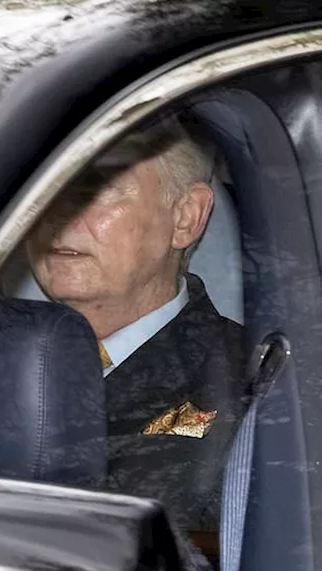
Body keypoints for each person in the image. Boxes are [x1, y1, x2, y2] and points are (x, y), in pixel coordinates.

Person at [25, 116, 246, 542]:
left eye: (95, 189)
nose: (56, 214)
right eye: (42, 191)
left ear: (185, 217)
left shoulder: (253, 387)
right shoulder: (3, 359)